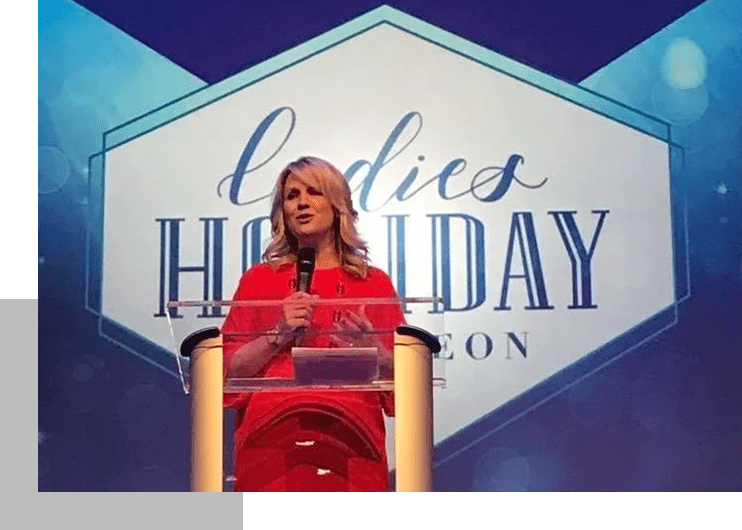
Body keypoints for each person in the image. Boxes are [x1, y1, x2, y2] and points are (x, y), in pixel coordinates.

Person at [221, 156, 404, 492]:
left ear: (337, 206)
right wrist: (277, 335)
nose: (302, 203)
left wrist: (376, 354)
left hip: (352, 448)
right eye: (292, 195)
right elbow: (225, 374)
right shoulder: (259, 281)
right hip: (270, 451)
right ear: (282, 212)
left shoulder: (373, 284)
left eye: (314, 192)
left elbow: (406, 386)